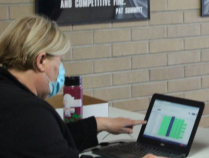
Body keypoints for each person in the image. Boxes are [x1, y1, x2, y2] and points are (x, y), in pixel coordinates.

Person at [0, 15, 162, 158]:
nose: (61, 69)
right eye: (59, 60)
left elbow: (47, 141)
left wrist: (100, 123)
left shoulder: (9, 97)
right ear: (41, 61)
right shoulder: (29, 112)